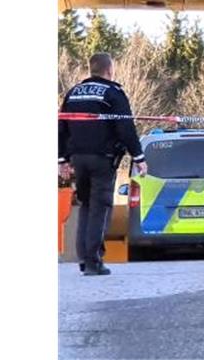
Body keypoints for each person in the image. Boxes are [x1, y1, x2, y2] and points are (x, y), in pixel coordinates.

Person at [58, 52, 147, 276]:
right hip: (102, 159)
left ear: (91, 69)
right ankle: (93, 261)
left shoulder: (73, 93)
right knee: (100, 207)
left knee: (86, 205)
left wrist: (62, 159)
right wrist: (138, 157)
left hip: (78, 158)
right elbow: (125, 127)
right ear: (109, 70)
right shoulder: (113, 93)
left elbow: (61, 128)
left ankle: (83, 258)